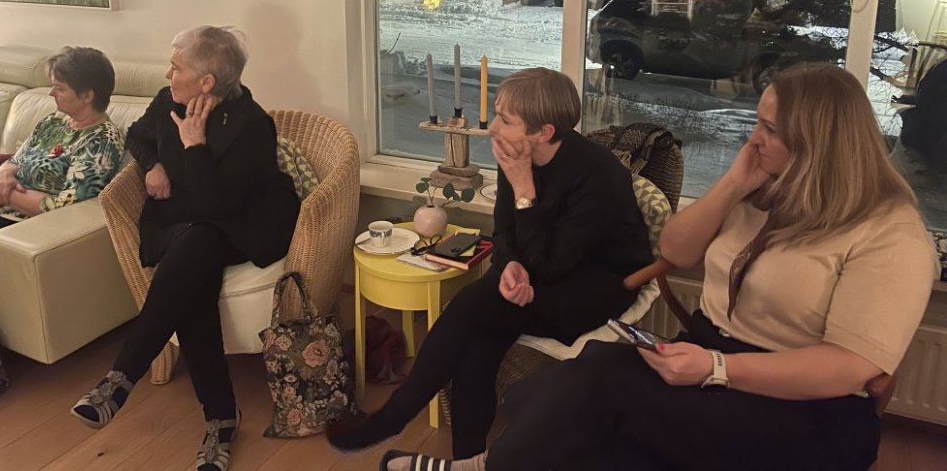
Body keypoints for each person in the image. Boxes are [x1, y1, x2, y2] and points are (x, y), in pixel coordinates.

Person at [377, 63, 939, 471]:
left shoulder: (889, 234)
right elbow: (677, 249)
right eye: (758, 121)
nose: (753, 138)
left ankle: (478, 467)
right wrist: (735, 181)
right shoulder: (767, 191)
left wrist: (717, 369)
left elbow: (849, 369)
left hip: (805, 405)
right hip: (710, 354)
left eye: (769, 130)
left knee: (595, 394)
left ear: (820, 144)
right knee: (562, 391)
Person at [328, 67, 652, 459]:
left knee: (473, 306)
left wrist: (524, 190)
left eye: (506, 119)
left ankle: (394, 418)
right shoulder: (516, 154)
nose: (494, 128)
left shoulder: (598, 177)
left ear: (544, 132)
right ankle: (466, 458)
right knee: (478, 348)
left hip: (594, 286)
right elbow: (504, 232)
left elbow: (552, 265)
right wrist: (510, 264)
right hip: (538, 269)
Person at [70, 26, 300, 471]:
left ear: (207, 81)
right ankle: (220, 419)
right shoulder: (167, 100)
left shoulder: (252, 125)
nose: (168, 74)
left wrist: (194, 145)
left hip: (239, 221)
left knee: (201, 241)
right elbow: (136, 136)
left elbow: (218, 207)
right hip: (181, 219)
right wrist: (153, 164)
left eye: (176, 67)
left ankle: (124, 376)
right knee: (195, 275)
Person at [0, 46, 124, 242]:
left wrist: (4, 194)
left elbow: (65, 208)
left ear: (87, 96)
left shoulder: (101, 142)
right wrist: (3, 176)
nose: (51, 93)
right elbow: (16, 160)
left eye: (60, 88)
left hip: (23, 224)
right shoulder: (54, 121)